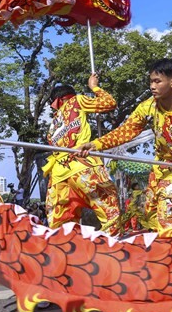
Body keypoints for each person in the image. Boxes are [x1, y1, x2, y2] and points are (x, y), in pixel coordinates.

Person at [79, 59, 172, 231]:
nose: (152, 86)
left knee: (168, 222)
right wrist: (95, 144)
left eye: (157, 81)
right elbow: (126, 131)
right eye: (151, 81)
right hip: (158, 170)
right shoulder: (147, 107)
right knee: (150, 217)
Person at [43, 73, 121, 236]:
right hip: (82, 167)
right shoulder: (76, 100)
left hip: (57, 178)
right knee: (110, 214)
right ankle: (112, 252)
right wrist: (94, 87)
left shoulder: (51, 128)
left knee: (62, 231)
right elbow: (109, 103)